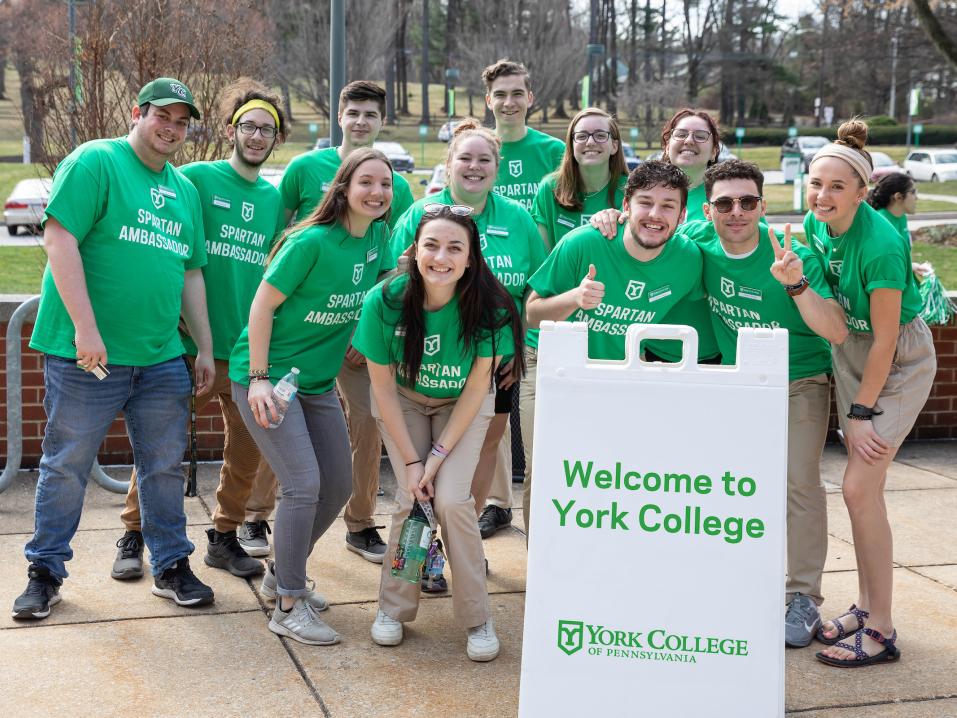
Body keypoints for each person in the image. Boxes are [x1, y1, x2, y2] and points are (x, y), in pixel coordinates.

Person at [14, 77, 216, 620]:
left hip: (158, 358)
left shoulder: (185, 191)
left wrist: (202, 345)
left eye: (181, 122)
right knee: (65, 466)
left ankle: (172, 565)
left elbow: (191, 271)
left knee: (164, 467)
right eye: (162, 117)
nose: (171, 129)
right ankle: (45, 573)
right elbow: (59, 238)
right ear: (137, 113)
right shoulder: (95, 162)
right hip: (89, 358)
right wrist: (85, 328)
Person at [111, 80, 288, 582]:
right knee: (161, 447)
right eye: (249, 126)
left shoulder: (274, 202)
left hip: (248, 350)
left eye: (267, 130)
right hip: (188, 345)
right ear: (233, 129)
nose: (257, 136)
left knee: (249, 448)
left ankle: (224, 535)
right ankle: (134, 533)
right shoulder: (194, 182)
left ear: (276, 139)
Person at [230, 148, 396, 645]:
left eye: (385, 184)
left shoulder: (379, 237)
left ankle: (285, 572)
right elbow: (261, 306)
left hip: (317, 382)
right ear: (343, 188)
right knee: (302, 485)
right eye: (366, 182)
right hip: (267, 377)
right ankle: (288, 604)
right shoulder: (311, 242)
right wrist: (258, 376)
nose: (377, 193)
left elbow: (381, 286)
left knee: (339, 486)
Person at [682, 159, 848, 647]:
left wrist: (794, 283)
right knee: (732, 486)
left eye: (748, 201)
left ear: (762, 204)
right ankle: (739, 582)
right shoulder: (697, 242)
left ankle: (803, 597)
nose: (737, 212)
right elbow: (647, 228)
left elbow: (836, 331)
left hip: (800, 379)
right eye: (725, 203)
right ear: (708, 209)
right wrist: (612, 219)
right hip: (741, 383)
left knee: (799, 482)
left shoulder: (792, 254)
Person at [356, 205, 523, 662]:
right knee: (412, 498)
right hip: (404, 401)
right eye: (431, 245)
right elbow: (384, 389)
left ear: (471, 258)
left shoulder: (491, 305)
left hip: (461, 407)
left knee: (450, 500)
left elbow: (476, 388)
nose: (441, 257)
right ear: (415, 250)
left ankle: (477, 616)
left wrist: (436, 457)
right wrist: (413, 463)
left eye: (455, 248)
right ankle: (393, 608)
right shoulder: (386, 300)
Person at [806, 120, 936, 667]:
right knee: (866, 492)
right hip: (854, 352)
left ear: (863, 193)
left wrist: (860, 412)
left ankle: (881, 629)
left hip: (898, 360)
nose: (823, 195)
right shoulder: (817, 228)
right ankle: (865, 605)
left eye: (838, 187)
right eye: (816, 183)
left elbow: (886, 338)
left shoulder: (881, 243)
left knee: (859, 487)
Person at [389, 119, 545, 570]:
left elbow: (535, 290)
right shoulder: (418, 216)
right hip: (429, 366)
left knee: (479, 456)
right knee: (424, 465)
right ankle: (422, 548)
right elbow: (393, 285)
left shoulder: (517, 219)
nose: (474, 167)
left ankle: (458, 542)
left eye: (484, 160)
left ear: (497, 167)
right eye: (465, 158)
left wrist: (517, 345)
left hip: (495, 365)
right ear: (449, 163)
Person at [278, 81, 414, 564]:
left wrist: (365, 329)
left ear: (381, 122)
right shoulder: (303, 169)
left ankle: (359, 523)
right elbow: (280, 244)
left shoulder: (392, 186)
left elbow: (384, 266)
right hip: (301, 335)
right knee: (276, 414)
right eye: (353, 112)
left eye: (370, 115)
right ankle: (256, 515)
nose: (361, 121)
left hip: (353, 336)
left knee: (368, 421)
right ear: (340, 115)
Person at [519, 107, 628, 535]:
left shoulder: (628, 192)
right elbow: (548, 268)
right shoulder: (551, 189)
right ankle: (540, 554)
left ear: (615, 145)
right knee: (542, 462)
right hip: (551, 337)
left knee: (602, 464)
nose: (591, 143)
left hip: (606, 342)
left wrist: (620, 216)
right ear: (570, 143)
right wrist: (584, 237)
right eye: (582, 135)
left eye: (601, 135)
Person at [478, 59, 566, 538]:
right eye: (500, 94)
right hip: (479, 303)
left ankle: (543, 504)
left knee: (529, 410)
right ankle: (496, 502)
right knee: (490, 409)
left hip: (539, 294)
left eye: (517, 93)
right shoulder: (479, 150)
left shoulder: (553, 152)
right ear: (488, 100)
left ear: (530, 98)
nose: (509, 102)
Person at [526, 160, 703, 362]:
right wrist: (575, 297)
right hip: (556, 362)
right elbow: (532, 315)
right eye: (645, 202)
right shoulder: (582, 243)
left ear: (682, 215)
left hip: (626, 367)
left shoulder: (689, 259)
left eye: (668, 206)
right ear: (626, 205)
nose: (655, 214)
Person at [589, 109, 721, 366]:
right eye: (680, 134)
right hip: (650, 342)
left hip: (714, 344)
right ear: (667, 144)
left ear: (714, 150)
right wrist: (607, 217)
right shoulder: (645, 195)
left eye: (700, 135)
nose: (689, 140)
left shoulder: (730, 202)